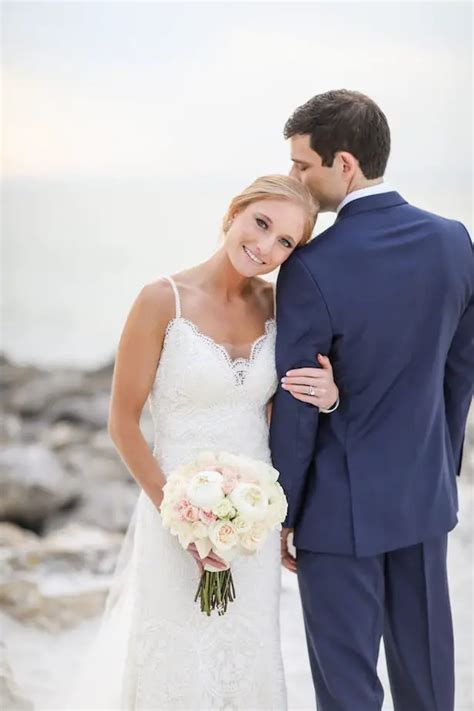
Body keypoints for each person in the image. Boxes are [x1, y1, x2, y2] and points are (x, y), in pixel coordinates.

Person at [68, 175, 339, 710]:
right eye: (261, 224)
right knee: (176, 659)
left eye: (285, 243)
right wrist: (183, 517)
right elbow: (123, 423)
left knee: (246, 654)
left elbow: (286, 408)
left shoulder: (283, 307)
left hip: (254, 522)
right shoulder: (160, 300)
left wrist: (329, 395)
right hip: (173, 515)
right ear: (234, 212)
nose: (265, 248)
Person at [271, 89, 474, 711]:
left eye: (303, 165)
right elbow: (458, 374)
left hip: (336, 508)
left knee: (348, 687)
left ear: (344, 164)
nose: (294, 177)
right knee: (430, 677)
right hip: (423, 492)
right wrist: (438, 466)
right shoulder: (454, 242)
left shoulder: (310, 266)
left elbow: (301, 403)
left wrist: (284, 507)